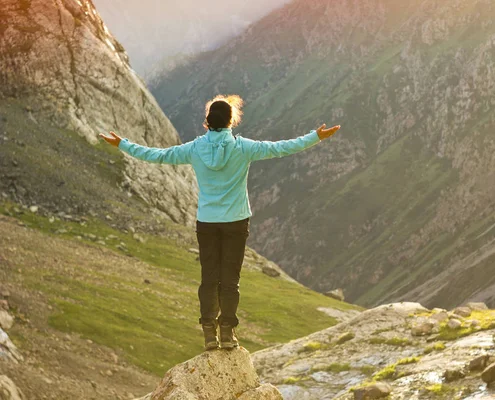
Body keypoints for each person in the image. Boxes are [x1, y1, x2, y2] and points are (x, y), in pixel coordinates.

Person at [100, 94, 341, 351]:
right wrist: (316, 136)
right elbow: (282, 147)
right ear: (231, 122)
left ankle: (208, 334)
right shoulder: (244, 147)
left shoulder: (194, 149)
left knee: (209, 279)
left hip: (207, 222)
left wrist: (122, 144)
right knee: (230, 281)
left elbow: (157, 155)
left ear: (207, 122)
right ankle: (227, 332)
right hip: (236, 221)